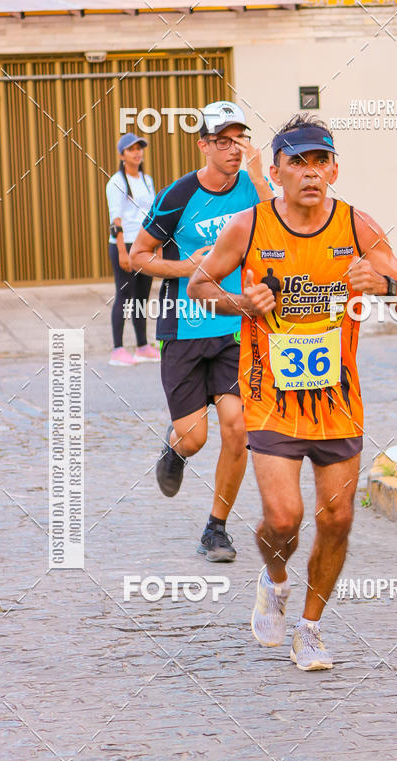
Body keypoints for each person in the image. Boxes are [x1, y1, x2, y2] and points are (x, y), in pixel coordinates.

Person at [188, 114, 397, 670]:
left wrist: (384, 285)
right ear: (276, 172)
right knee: (284, 519)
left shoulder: (358, 226)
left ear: (334, 170)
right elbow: (199, 285)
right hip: (270, 395)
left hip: (338, 400)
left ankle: (310, 630)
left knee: (337, 520)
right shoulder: (248, 226)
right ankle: (274, 581)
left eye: (321, 161)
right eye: (298, 162)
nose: (311, 173)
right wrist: (241, 303)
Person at [129, 101, 274, 561]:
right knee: (195, 437)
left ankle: (216, 528)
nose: (233, 149)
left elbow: (277, 231)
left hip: (236, 326)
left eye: (239, 139)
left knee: (238, 428)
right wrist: (185, 267)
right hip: (185, 327)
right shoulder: (178, 195)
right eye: (223, 141)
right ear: (204, 145)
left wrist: (260, 177)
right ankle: (175, 448)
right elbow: (138, 256)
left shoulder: (253, 188)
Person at [106, 132, 158, 366]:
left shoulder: (147, 180)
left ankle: (142, 346)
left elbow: (152, 213)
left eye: (139, 148)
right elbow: (115, 220)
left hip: (144, 244)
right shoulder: (116, 182)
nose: (137, 153)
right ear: (122, 155)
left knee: (142, 297)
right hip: (124, 244)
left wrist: (155, 245)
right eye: (131, 149)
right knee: (124, 295)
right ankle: (117, 350)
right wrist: (122, 252)